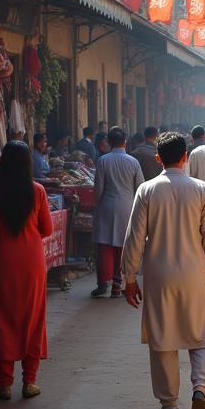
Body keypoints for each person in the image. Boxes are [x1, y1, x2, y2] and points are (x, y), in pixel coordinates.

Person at [123, 132, 205, 409]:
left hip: (158, 273)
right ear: (186, 157)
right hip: (193, 272)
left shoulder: (147, 190)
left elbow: (135, 238)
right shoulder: (201, 189)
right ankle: (200, 387)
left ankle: (168, 405)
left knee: (162, 337)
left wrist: (129, 276)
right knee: (203, 335)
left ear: (158, 159)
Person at [0, 142, 53, 401]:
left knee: (2, 318)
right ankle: (30, 381)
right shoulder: (38, 191)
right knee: (33, 317)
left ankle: (4, 383)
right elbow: (47, 229)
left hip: (2, 261)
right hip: (32, 261)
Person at [91, 127, 144, 299]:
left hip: (106, 204)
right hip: (127, 206)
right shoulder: (133, 161)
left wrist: (96, 205)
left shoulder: (103, 160)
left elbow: (98, 187)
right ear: (125, 141)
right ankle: (117, 284)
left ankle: (102, 283)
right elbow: (140, 187)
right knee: (123, 246)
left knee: (105, 245)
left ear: (109, 142)